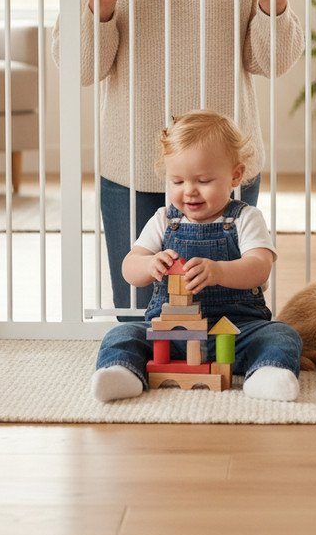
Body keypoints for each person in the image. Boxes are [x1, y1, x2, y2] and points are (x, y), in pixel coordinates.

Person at [53, 0, 303, 314]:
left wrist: (272, 7)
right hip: (134, 162)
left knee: (226, 313)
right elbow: (80, 69)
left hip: (225, 163)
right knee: (142, 315)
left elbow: (272, 63)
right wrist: (99, 9)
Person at [91, 110, 303, 403]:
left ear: (236, 176)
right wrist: (149, 263)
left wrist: (219, 272)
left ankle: (267, 373)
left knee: (281, 335)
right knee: (123, 333)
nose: (189, 191)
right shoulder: (164, 220)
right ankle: (121, 372)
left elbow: (259, 267)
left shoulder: (244, 218)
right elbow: (129, 267)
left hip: (235, 331)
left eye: (203, 180)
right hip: (171, 335)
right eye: (177, 181)